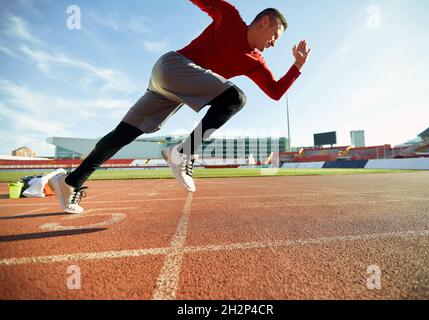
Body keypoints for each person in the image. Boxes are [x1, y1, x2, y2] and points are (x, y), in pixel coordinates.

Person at [49, 0, 311, 214]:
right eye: (275, 36)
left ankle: (71, 182)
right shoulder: (229, 16)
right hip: (174, 66)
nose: (275, 43)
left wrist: (297, 66)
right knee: (235, 98)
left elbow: (275, 93)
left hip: (169, 89)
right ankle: (182, 153)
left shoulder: (255, 62)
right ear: (264, 22)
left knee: (124, 134)